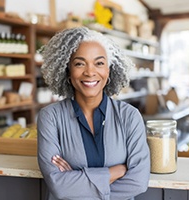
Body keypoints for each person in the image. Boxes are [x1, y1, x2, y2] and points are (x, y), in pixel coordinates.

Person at [37, 26, 150, 200]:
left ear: (109, 70)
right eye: (79, 63)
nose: (90, 72)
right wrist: (116, 171)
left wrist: (76, 182)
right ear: (67, 71)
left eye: (99, 63)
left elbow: (138, 182)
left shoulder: (130, 116)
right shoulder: (50, 117)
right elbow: (59, 186)